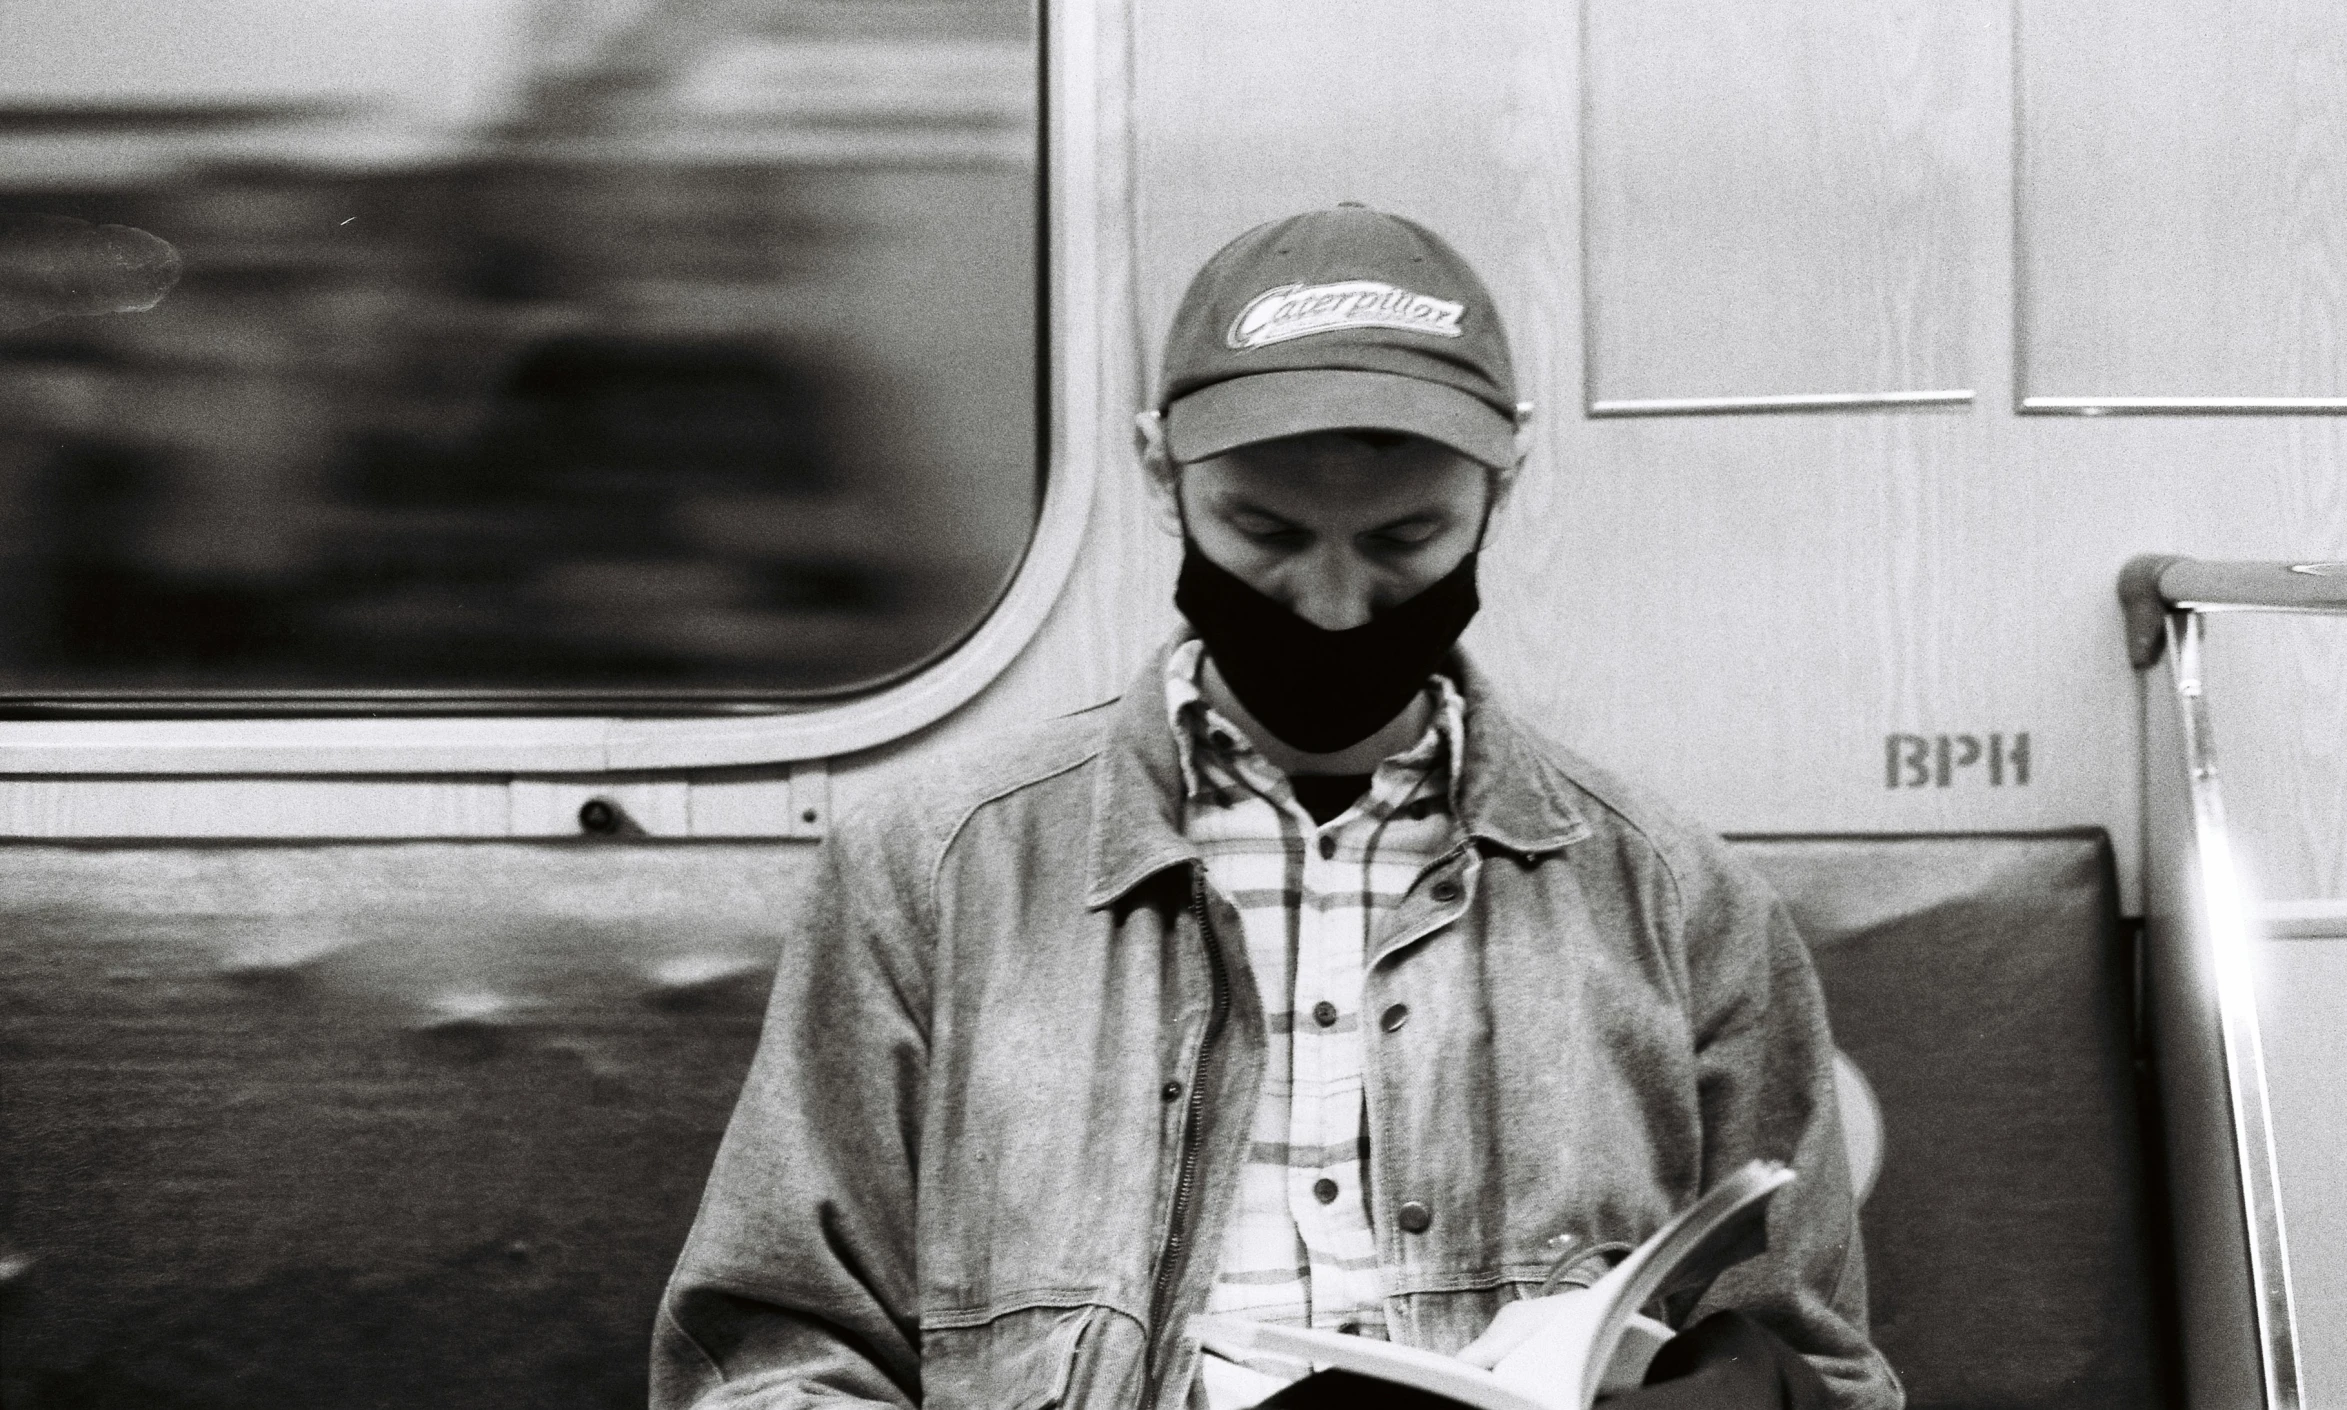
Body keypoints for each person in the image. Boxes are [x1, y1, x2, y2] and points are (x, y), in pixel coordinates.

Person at [651, 205, 1902, 1410]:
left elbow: (1815, 1357)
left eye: (1408, 538)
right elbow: (776, 1350)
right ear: (1159, 470)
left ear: (1500, 486)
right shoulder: (933, 869)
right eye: (1262, 531)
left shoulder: (1680, 899)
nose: (1336, 604)